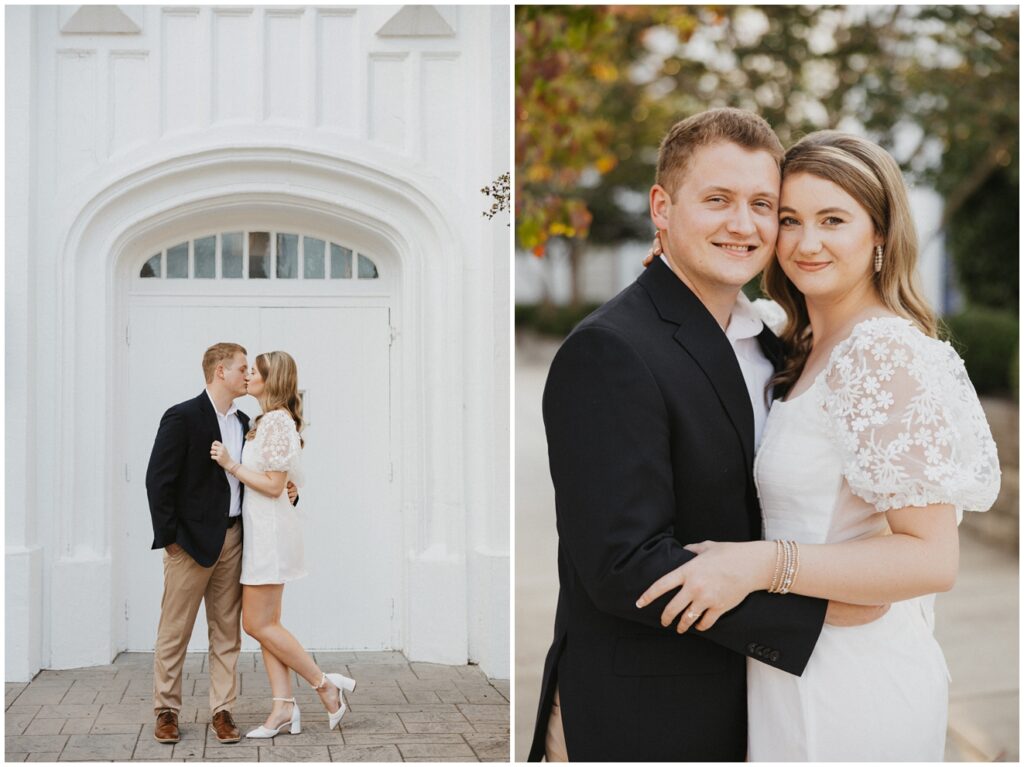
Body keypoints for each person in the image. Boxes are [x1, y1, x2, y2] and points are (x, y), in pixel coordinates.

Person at [528, 109, 890, 762]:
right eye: (717, 200)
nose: (743, 224)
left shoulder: (775, 341)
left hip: (761, 703)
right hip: (648, 713)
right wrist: (821, 609)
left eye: (763, 205)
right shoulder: (610, 351)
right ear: (661, 207)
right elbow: (622, 563)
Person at [637, 131, 1000, 760]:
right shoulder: (791, 339)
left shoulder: (883, 353)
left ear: (880, 234)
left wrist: (759, 564)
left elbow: (930, 561)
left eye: (833, 219)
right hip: (782, 663)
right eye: (789, 219)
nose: (806, 243)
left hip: (853, 681)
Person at [146, 342, 296, 744]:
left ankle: (222, 710)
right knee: (174, 630)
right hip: (189, 544)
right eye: (242, 368)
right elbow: (158, 481)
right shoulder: (182, 417)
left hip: (234, 539)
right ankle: (166, 710)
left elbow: (259, 473)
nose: (248, 375)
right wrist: (170, 539)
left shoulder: (247, 420)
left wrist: (288, 489)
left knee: (227, 631)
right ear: (220, 372)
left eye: (251, 370)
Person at [209, 351, 356, 739]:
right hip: (263, 530)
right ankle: (282, 709)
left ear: (271, 381)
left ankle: (324, 684)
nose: (248, 376)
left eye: (254, 372)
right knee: (267, 625)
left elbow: (274, 485)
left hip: (269, 534)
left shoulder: (275, 422)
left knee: (256, 623)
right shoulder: (267, 421)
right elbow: (284, 483)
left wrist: (231, 465)